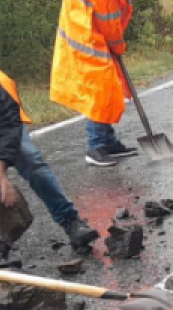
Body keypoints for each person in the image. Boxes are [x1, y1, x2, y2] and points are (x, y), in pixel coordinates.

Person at [50, 0, 144, 168]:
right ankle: (97, 146)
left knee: (107, 87)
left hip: (88, 27)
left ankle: (108, 141)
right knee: (100, 90)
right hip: (86, 34)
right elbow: (107, 17)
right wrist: (117, 44)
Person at [0, 71, 99, 257]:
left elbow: (7, 123)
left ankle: (71, 222)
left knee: (30, 160)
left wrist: (2, 176)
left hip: (4, 120)